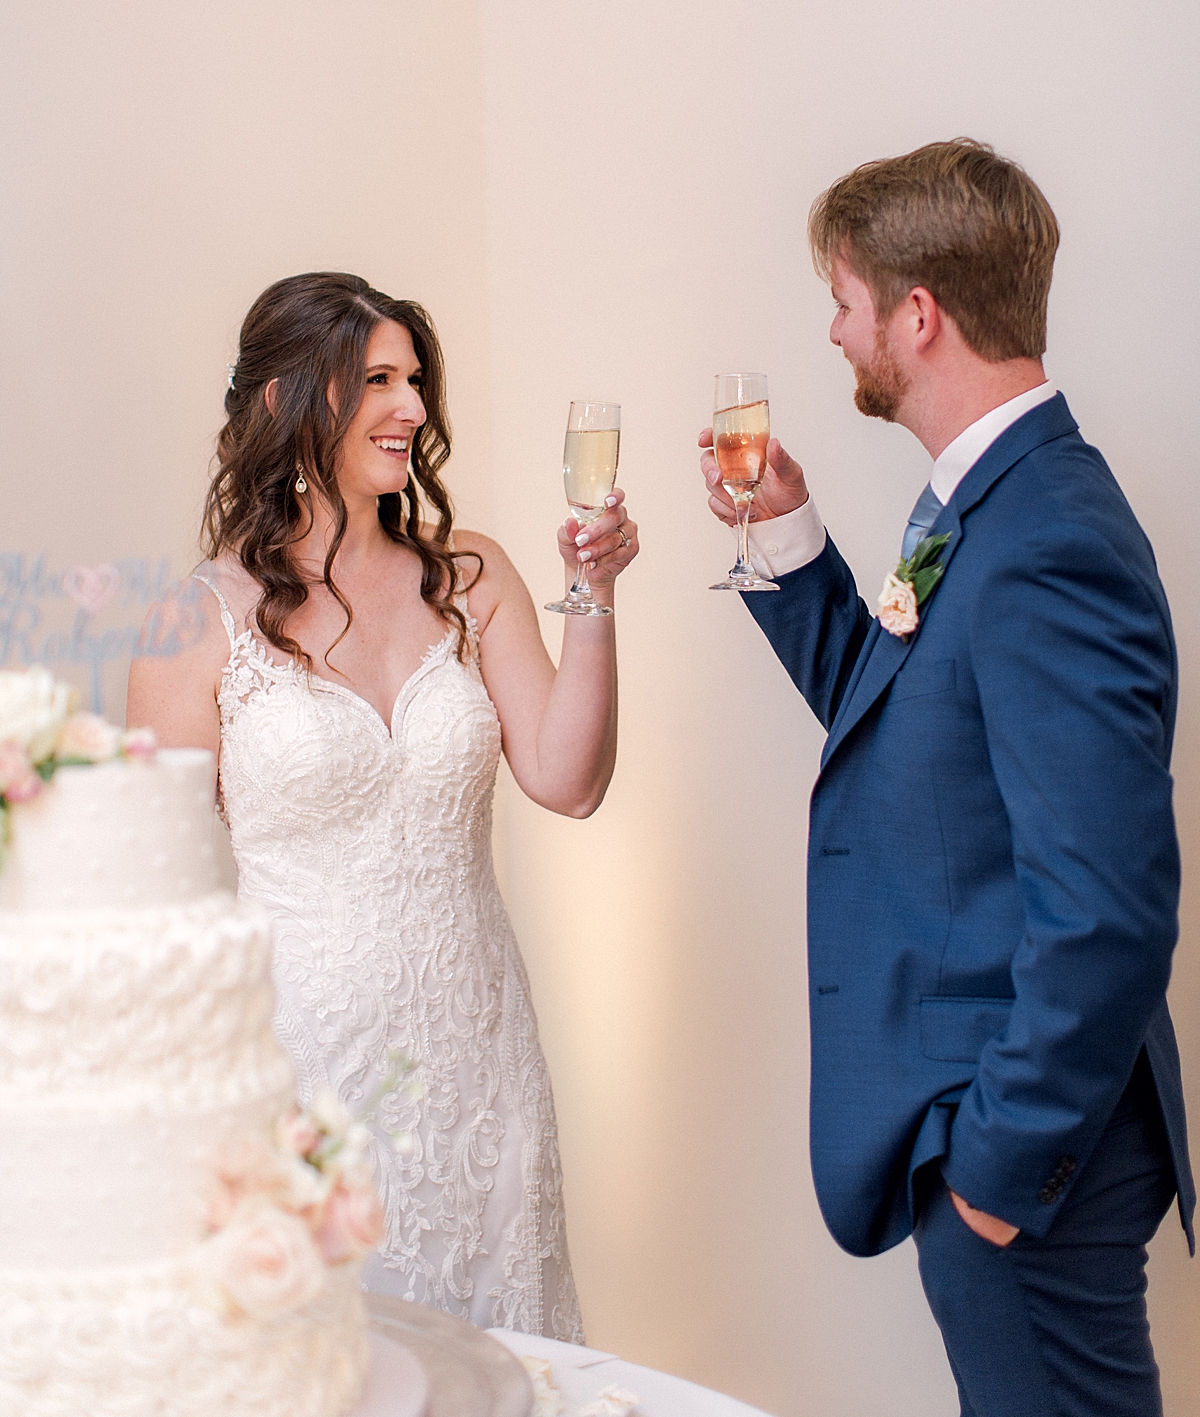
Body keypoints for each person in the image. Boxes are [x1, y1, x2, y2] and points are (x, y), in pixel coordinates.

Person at [699, 141, 1194, 1416]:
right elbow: (910, 740)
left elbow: (1112, 909)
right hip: (998, 1134)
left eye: (844, 298)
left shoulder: (1047, 540)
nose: (833, 329)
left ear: (916, 315)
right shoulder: (985, 503)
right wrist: (784, 540)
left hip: (1035, 1160)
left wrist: (993, 1174)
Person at [129, 271, 639, 1341]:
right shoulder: (196, 623)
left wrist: (591, 594)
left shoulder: (471, 575)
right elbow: (160, 903)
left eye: (415, 380)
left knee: (506, 1369)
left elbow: (568, 778)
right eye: (376, 380)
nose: (412, 407)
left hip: (481, 1061)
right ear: (283, 401)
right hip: (308, 1078)